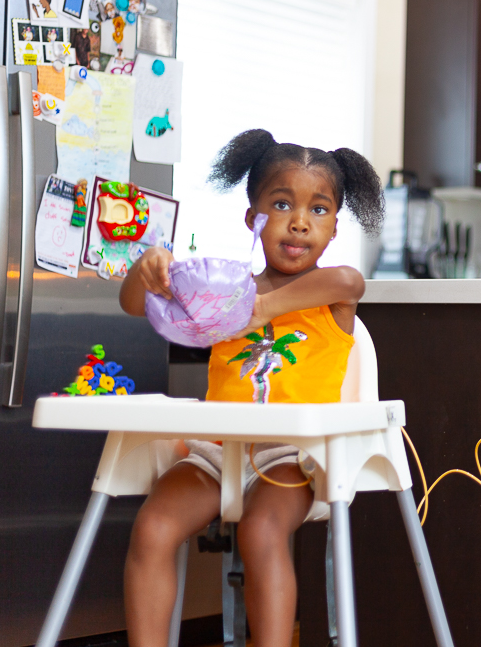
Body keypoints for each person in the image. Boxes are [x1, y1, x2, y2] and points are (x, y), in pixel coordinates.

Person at [118, 129, 384, 647]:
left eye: (320, 210)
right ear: (252, 216)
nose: (300, 221)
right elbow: (134, 305)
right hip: (217, 451)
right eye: (281, 203)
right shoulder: (220, 290)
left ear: (333, 229)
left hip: (295, 456)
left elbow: (352, 281)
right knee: (153, 527)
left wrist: (252, 308)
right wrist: (145, 271)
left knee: (262, 531)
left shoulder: (333, 292)